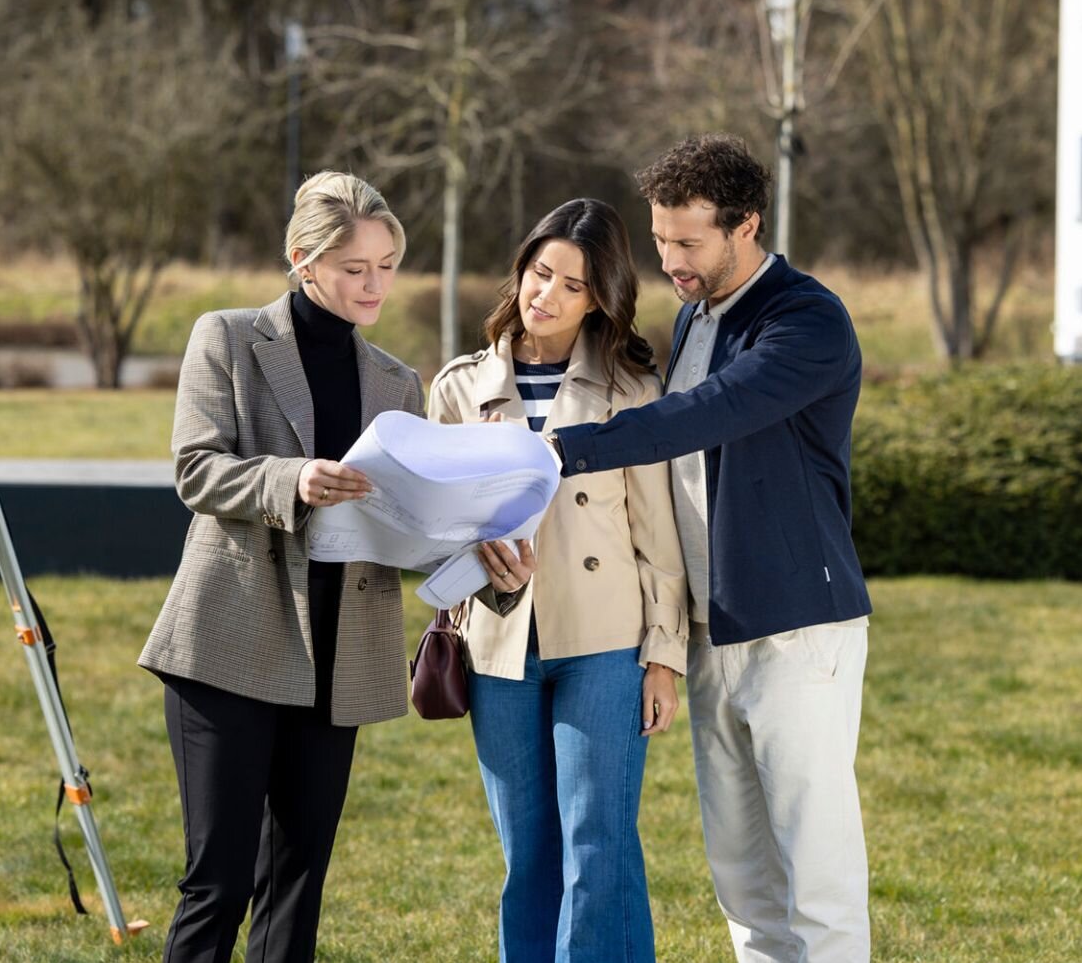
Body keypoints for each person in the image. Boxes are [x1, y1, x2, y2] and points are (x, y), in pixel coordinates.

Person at [139, 171, 535, 963]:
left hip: (340, 655)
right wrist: (293, 480)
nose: (375, 284)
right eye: (356, 267)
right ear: (304, 261)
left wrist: (488, 569)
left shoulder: (397, 381)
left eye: (386, 265)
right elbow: (196, 469)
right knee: (218, 881)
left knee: (298, 881)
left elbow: (410, 523)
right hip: (229, 639)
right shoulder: (226, 337)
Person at [547, 135, 873, 962]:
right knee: (742, 873)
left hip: (796, 629)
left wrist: (566, 448)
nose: (671, 262)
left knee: (816, 869)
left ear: (746, 225)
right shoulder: (694, 315)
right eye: (661, 240)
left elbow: (709, 412)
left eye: (688, 242)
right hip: (710, 627)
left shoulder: (806, 320)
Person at [428, 197, 688, 963]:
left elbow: (659, 537)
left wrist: (664, 657)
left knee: (598, 844)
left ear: (599, 299)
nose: (547, 294)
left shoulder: (631, 388)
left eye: (573, 285)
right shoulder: (457, 388)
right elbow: (433, 527)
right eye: (541, 272)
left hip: (607, 644)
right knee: (528, 852)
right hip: (497, 644)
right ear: (522, 268)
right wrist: (471, 556)